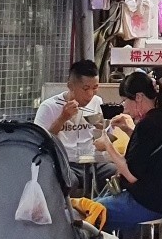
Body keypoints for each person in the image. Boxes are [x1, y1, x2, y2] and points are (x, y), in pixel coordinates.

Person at [94, 71, 162, 239]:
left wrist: (107, 144)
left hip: (148, 203)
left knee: (86, 212)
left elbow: (131, 175)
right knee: (96, 204)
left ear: (139, 97)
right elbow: (152, 152)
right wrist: (129, 130)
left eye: (126, 100)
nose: (125, 106)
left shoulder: (149, 124)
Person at [34, 60, 116, 192]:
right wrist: (62, 119)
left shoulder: (97, 102)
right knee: (66, 181)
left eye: (95, 88)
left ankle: (102, 208)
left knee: (116, 172)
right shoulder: (49, 107)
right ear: (70, 86)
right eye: (85, 89)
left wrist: (104, 126)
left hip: (92, 162)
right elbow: (39, 142)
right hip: (65, 164)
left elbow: (105, 137)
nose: (90, 94)